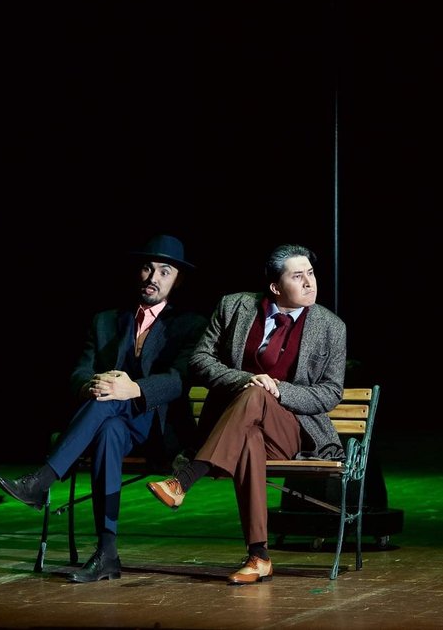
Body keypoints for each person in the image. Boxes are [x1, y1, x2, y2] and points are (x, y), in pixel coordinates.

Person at [0, 233, 207, 583]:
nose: (153, 277)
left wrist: (132, 388)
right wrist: (91, 384)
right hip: (114, 427)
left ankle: (43, 480)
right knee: (107, 423)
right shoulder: (106, 320)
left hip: (158, 430)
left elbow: (179, 379)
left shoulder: (190, 325)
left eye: (164, 271)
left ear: (177, 280)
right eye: (148, 268)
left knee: (109, 403)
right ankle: (107, 553)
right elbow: (79, 372)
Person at [146, 242, 347, 585]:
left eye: (311, 274)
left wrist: (278, 390)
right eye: (297, 276)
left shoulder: (331, 326)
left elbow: (330, 392)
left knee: (258, 394)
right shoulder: (233, 307)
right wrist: (245, 379)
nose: (309, 283)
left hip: (290, 430)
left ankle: (185, 478)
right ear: (275, 286)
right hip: (239, 428)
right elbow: (200, 360)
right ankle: (259, 556)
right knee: (249, 435)